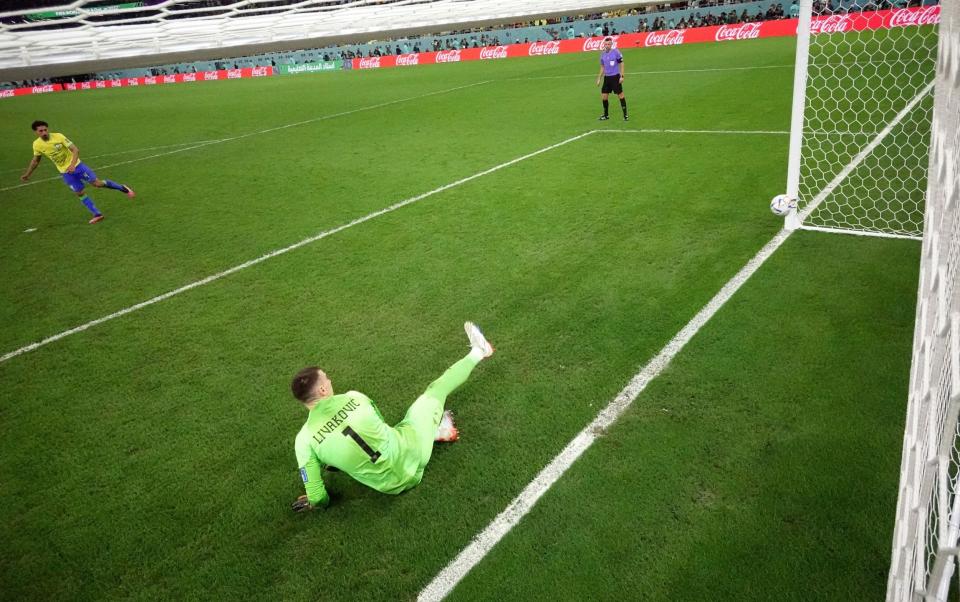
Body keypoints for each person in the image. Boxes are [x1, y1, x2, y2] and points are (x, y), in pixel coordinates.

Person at [290, 322, 495, 512]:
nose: (331, 379)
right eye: (327, 378)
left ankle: (437, 429)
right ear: (324, 389)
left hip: (391, 487)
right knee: (435, 391)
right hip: (414, 454)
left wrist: (315, 502)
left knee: (340, 456)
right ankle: (480, 351)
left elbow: (317, 497)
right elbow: (382, 424)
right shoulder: (354, 397)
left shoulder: (304, 440)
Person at [20, 120, 135, 224]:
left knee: (97, 184)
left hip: (78, 166)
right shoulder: (37, 144)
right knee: (79, 192)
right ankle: (97, 214)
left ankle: (123, 188)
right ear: (36, 132)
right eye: (41, 131)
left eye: (45, 129)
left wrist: (72, 164)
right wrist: (27, 174)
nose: (44, 132)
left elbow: (75, 149)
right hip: (65, 172)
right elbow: (36, 160)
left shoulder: (58, 136)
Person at [595, 37, 627, 121]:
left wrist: (622, 76)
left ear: (611, 44)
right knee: (604, 96)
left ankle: (625, 115)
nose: (607, 45)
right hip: (607, 78)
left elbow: (622, 63)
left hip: (615, 77)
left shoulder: (616, 52)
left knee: (620, 95)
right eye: (605, 44)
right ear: (604, 45)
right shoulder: (602, 54)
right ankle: (606, 115)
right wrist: (599, 78)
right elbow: (602, 67)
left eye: (609, 44)